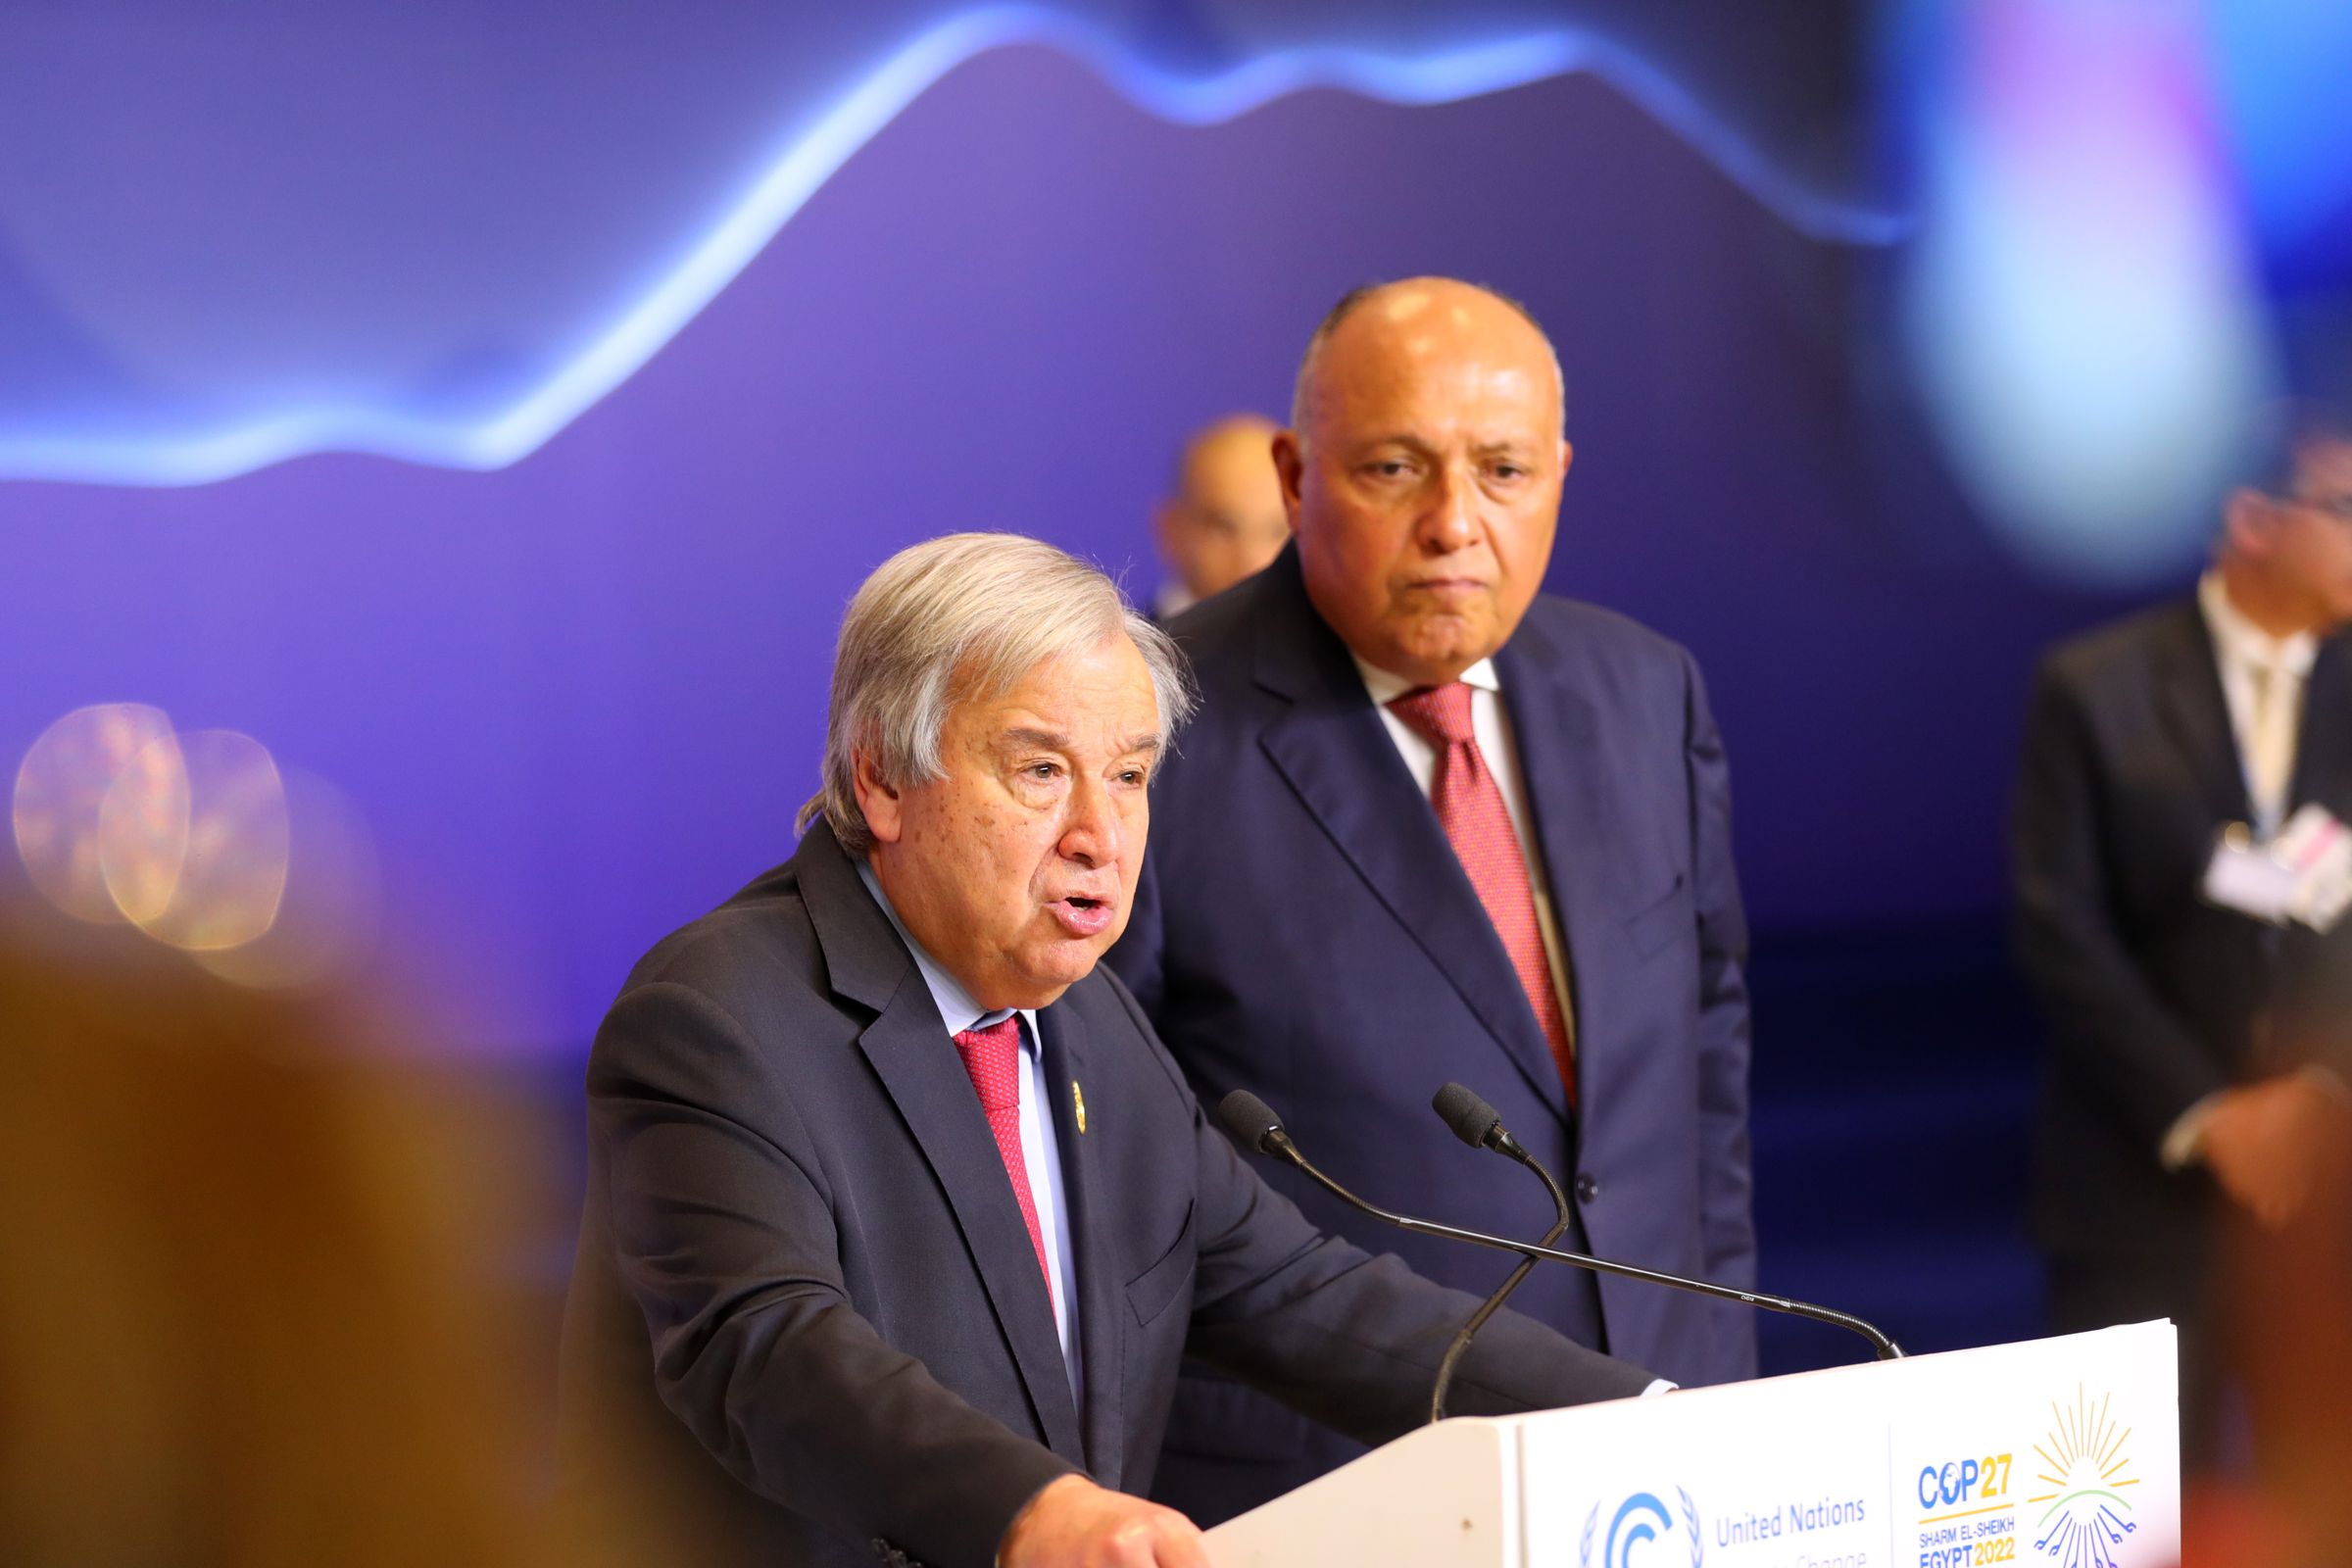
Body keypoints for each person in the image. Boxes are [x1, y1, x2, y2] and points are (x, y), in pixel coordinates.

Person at [556, 532, 1658, 1568]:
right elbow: (769, 1349)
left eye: (1128, 776)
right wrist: (1032, 1510)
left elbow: (1298, 1295)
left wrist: (1650, 1424)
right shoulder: (718, 1018)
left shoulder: (1092, 1024)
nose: (1101, 834)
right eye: (1039, 771)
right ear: (883, 779)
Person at [1106, 278, 1757, 1524]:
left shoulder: (1644, 689)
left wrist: (1716, 1379)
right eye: (1397, 469)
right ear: (1297, 477)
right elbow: (1119, 1165)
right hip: (1334, 1479)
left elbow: (1704, 1072)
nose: (1456, 523)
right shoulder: (1156, 727)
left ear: (1560, 474)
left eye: (1504, 471)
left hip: (1661, 1449)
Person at [2011, 409, 2352, 1470]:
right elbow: (2056, 925)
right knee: (2137, 1511)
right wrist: (2216, 1114)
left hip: (2329, 1201)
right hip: (2140, 1189)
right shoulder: (2096, 685)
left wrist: (2320, 1092)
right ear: (2254, 518)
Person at [1149, 415, 1290, 618]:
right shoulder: (1126, 648)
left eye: (1277, 531)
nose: (1254, 562)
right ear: (1171, 532)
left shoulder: (1325, 646)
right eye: (1224, 528)